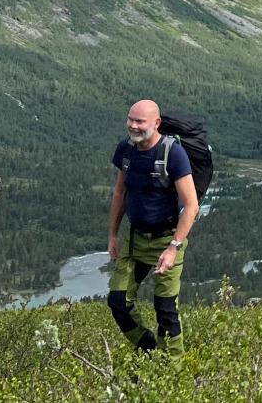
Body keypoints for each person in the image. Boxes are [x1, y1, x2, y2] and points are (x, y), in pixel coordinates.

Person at [106, 99, 199, 351]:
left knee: (165, 309)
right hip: (135, 240)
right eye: (130, 119)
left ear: (156, 123)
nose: (133, 126)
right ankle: (148, 347)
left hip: (166, 240)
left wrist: (173, 248)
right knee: (118, 301)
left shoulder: (172, 153)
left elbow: (191, 205)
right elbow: (119, 192)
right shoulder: (125, 150)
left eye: (140, 121)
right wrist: (113, 234)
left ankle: (172, 371)